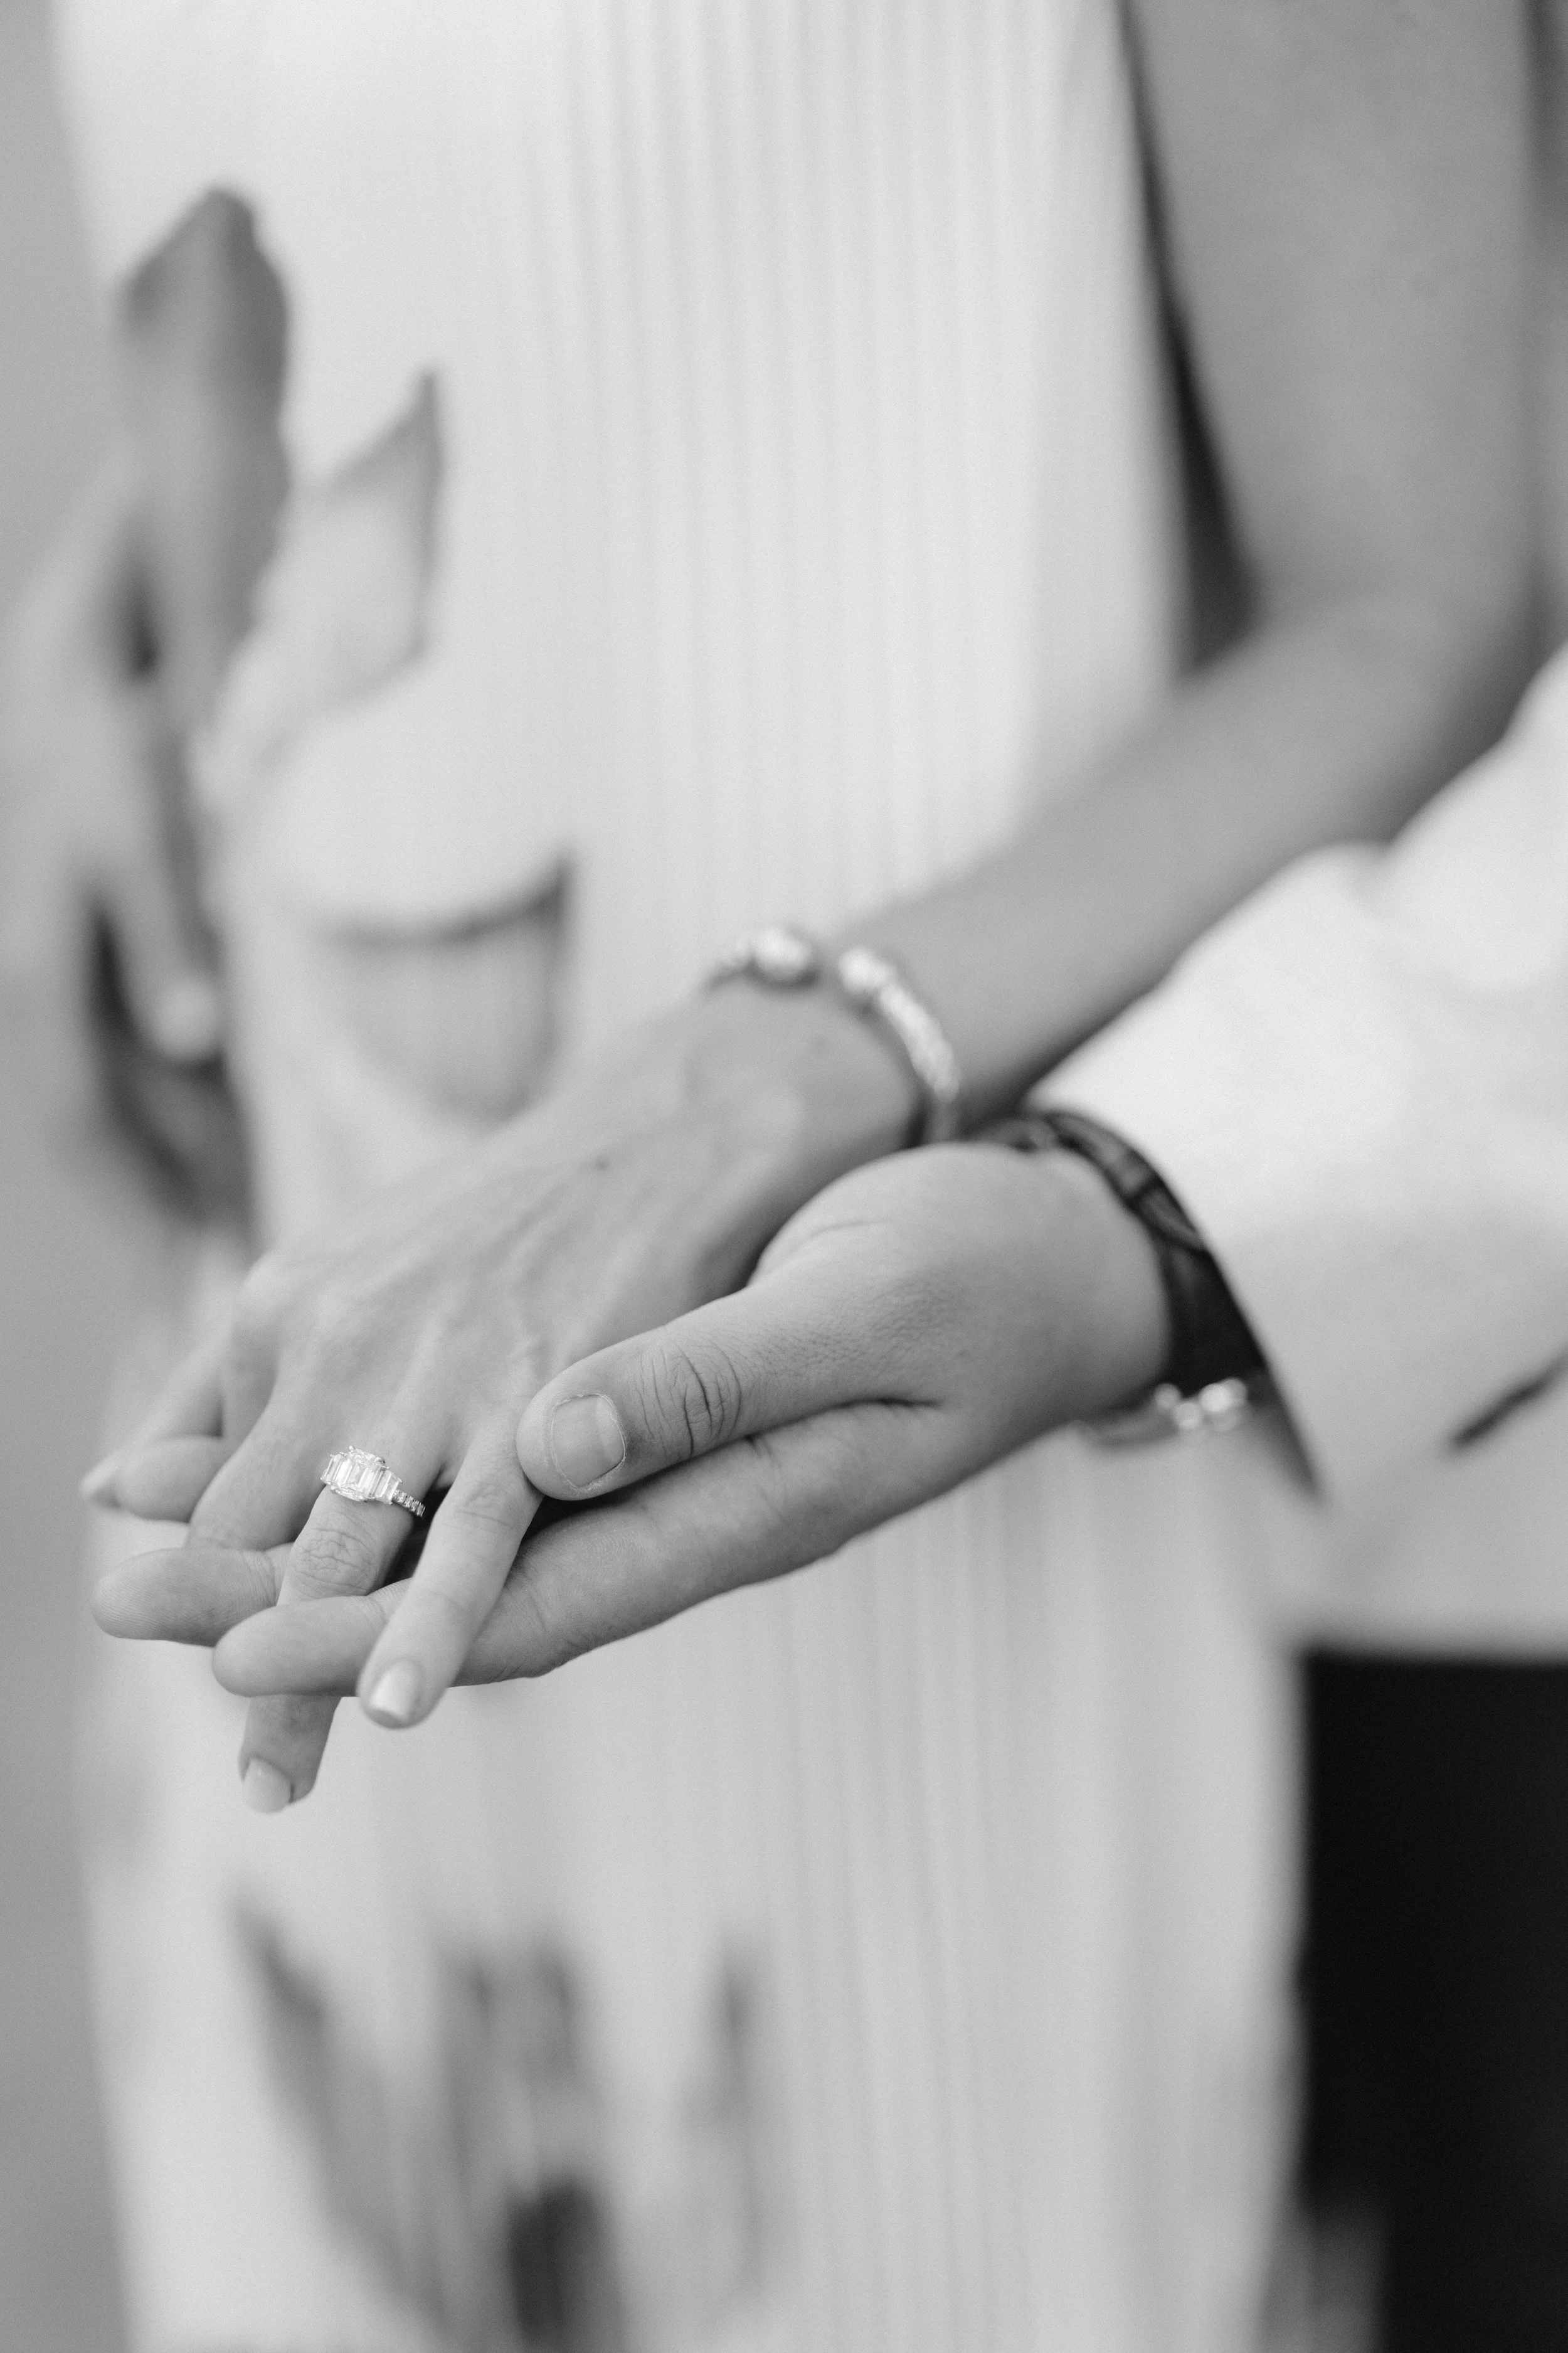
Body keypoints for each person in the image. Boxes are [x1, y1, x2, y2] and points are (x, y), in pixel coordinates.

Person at [22, 0, 1530, 2345]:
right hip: (308, 1369)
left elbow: (1413, 593)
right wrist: (106, 615)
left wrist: (747, 1083)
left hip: (910, 1399)